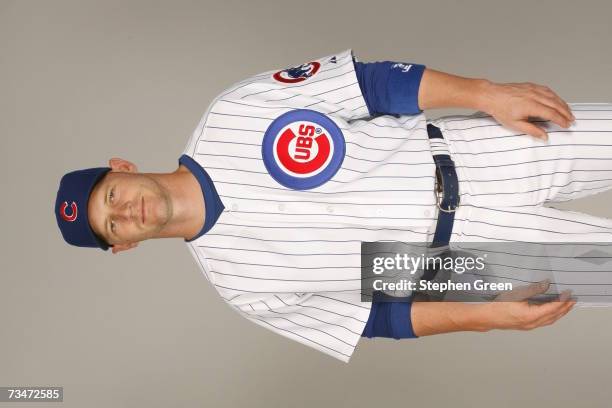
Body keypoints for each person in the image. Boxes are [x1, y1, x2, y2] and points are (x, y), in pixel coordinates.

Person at [56, 49, 612, 363]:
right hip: (461, 263)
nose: (126, 213)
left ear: (122, 167)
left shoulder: (232, 113)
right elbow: (380, 316)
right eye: (113, 226)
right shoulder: (240, 285)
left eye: (112, 196)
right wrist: (481, 317)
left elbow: (367, 88)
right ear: (123, 246)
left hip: (470, 152)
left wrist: (487, 94)